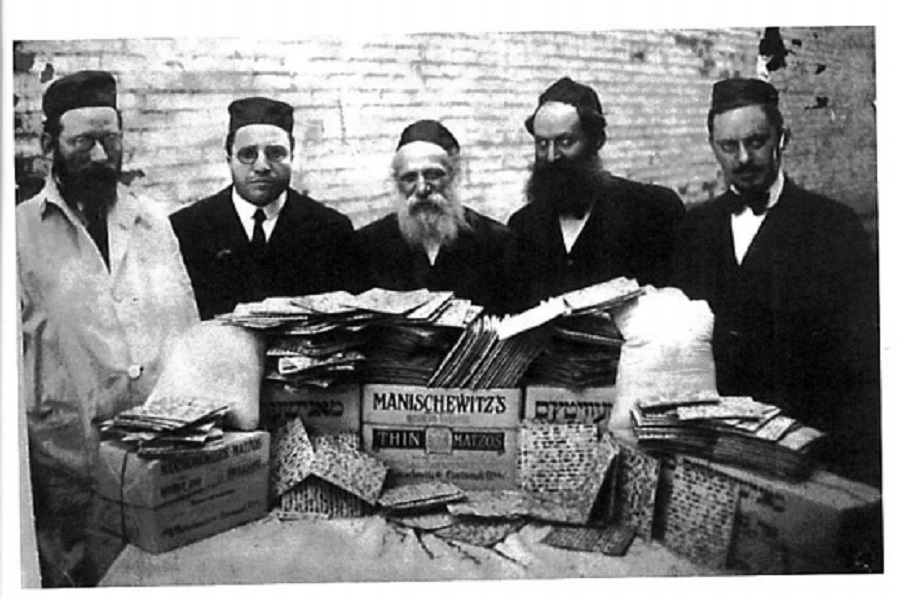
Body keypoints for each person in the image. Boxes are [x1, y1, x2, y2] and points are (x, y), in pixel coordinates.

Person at [17, 70, 200, 586]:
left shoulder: (152, 221)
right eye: (82, 143)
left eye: (109, 140)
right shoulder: (19, 233)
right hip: (67, 458)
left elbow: (186, 323)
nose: (99, 157)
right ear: (49, 144)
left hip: (155, 454)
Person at [672, 78, 880, 486]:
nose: (744, 158)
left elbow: (860, 359)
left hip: (805, 450)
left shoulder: (834, 226)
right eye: (728, 146)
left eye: (756, 141)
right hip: (716, 445)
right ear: (713, 146)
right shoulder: (695, 227)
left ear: (782, 138)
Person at [170, 97, 360, 320]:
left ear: (292, 158)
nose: (261, 166)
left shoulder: (331, 229)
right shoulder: (187, 229)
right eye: (248, 154)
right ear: (229, 159)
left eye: (276, 153)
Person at [508, 77, 684, 307]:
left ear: (597, 141)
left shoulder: (654, 209)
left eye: (566, 141)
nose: (551, 156)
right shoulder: (523, 225)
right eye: (542, 144)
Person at [356, 119, 519, 314]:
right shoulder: (369, 244)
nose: (422, 188)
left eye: (433, 175)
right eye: (410, 178)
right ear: (397, 184)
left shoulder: (496, 242)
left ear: (453, 176)